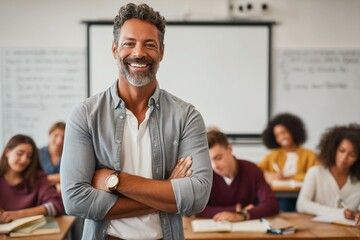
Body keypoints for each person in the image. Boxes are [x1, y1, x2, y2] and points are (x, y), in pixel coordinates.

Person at [60, 3, 212, 240]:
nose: (139, 53)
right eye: (129, 43)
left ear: (161, 52)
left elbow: (198, 196)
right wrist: (166, 194)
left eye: (149, 44)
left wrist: (116, 181)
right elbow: (75, 201)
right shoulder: (84, 115)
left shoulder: (187, 116)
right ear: (114, 49)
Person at [196, 128, 280, 222]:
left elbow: (272, 204)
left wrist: (243, 215)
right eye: (209, 161)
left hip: (246, 232)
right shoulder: (205, 175)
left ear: (230, 149)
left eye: (218, 158)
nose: (214, 165)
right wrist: (236, 210)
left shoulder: (252, 170)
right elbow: (195, 210)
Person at [296, 124, 360, 220]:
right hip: (318, 230)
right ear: (333, 149)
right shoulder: (315, 173)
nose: (344, 158)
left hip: (350, 232)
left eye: (352, 154)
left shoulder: (358, 180)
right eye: (342, 151)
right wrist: (339, 213)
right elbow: (302, 204)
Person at [257, 113, 318, 211]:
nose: (282, 137)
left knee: (285, 204)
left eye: (284, 132)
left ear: (293, 131)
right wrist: (269, 175)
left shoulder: (310, 155)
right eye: (277, 135)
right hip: (278, 194)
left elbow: (316, 175)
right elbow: (256, 170)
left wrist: (287, 177)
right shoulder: (274, 155)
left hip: (301, 195)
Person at [0, 134, 64, 223]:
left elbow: (56, 205)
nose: (24, 160)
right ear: (7, 152)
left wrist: (18, 214)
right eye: (20, 153)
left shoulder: (38, 178)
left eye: (29, 156)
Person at [39, 121, 65, 185]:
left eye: (63, 137)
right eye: (56, 136)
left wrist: (46, 179)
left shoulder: (68, 156)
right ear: (49, 134)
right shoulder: (38, 153)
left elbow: (71, 177)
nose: (59, 141)